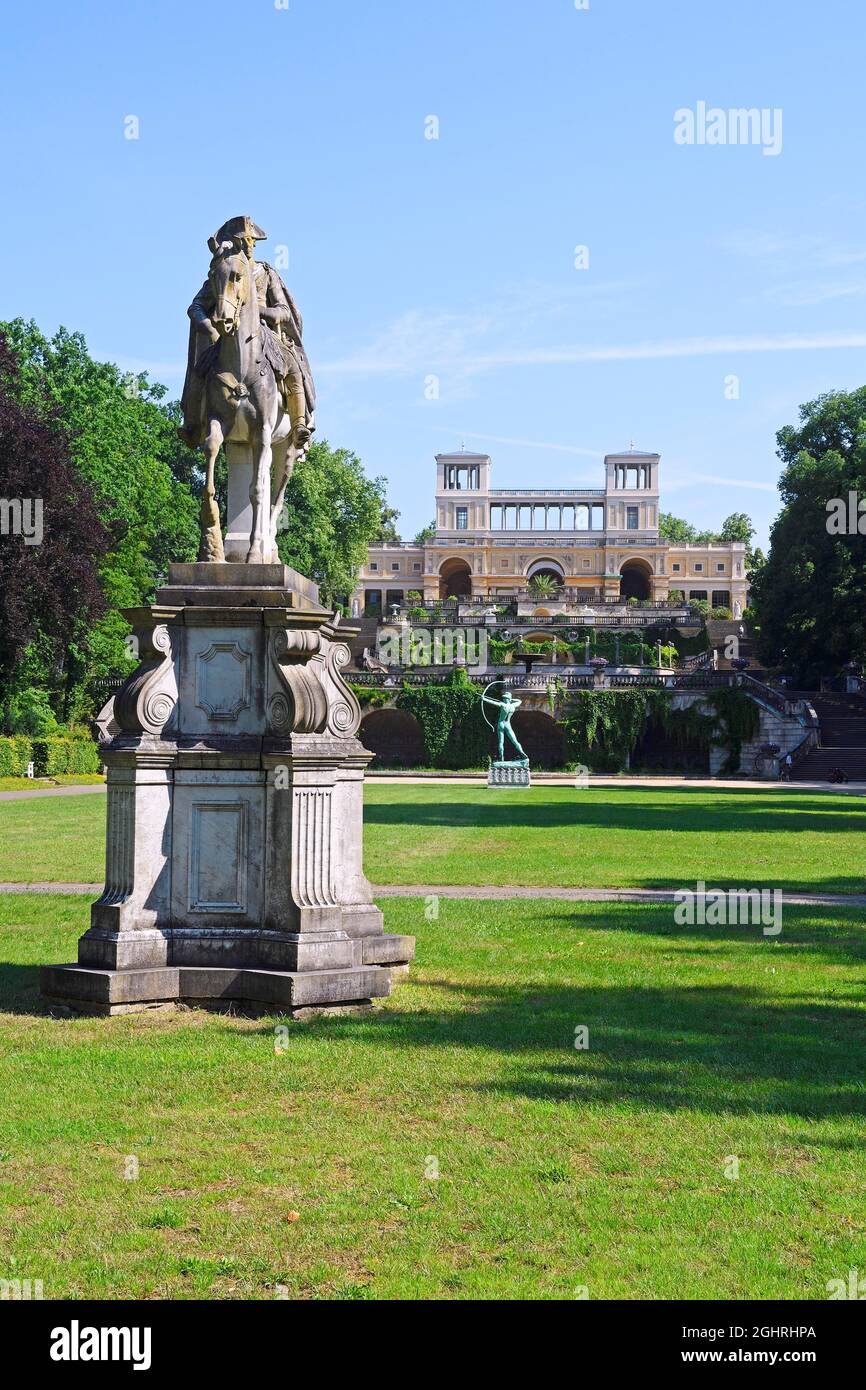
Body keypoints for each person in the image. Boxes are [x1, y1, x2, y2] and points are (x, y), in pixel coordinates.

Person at [179, 215, 315, 450]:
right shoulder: (223, 271)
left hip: (264, 333)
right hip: (226, 333)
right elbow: (197, 306)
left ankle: (299, 422)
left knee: (292, 364)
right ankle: (192, 423)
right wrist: (206, 325)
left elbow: (283, 310)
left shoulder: (265, 273)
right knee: (200, 370)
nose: (247, 245)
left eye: (250, 240)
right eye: (242, 240)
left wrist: (258, 311)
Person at [482, 687, 528, 763]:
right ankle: (522, 753)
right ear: (509, 699)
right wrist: (512, 700)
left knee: (501, 742)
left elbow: (492, 702)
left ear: (505, 699)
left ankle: (501, 758)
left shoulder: (502, 705)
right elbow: (519, 701)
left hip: (501, 724)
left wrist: (484, 699)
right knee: (515, 741)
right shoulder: (513, 706)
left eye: (504, 698)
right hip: (507, 724)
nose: (503, 699)